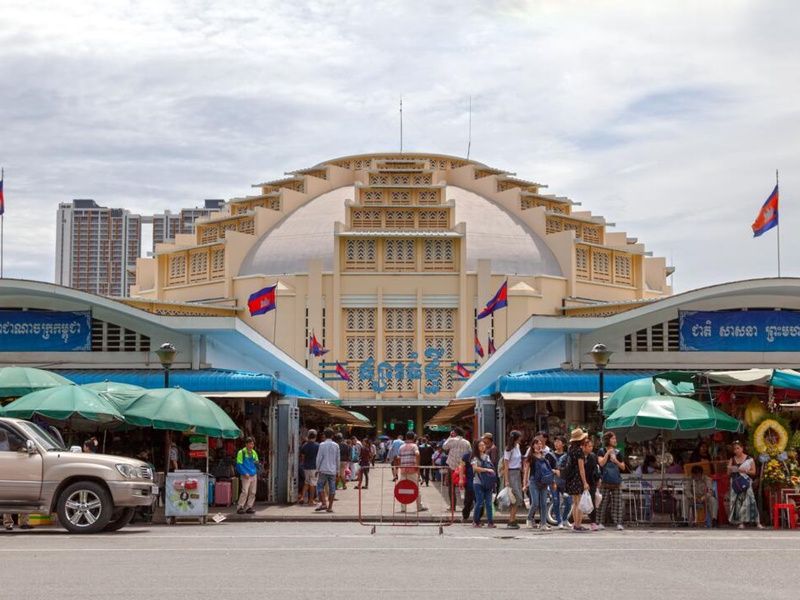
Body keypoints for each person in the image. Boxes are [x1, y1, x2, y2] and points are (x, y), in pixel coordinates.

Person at [726, 440, 763, 529]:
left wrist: (744, 470)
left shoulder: (749, 459)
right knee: (738, 502)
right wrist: (731, 468)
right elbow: (728, 473)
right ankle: (740, 522)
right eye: (735, 449)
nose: (736, 450)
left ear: (742, 448)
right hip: (735, 482)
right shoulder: (732, 459)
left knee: (750, 501)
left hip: (745, 482)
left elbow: (754, 472)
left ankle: (757, 522)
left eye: (738, 448)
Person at [597, 431, 626, 531]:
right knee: (602, 502)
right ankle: (600, 522)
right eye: (613, 438)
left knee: (617, 503)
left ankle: (618, 523)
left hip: (616, 481)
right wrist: (608, 454)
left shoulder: (618, 452)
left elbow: (623, 467)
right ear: (608, 440)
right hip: (604, 481)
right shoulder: (601, 451)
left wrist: (616, 461)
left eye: (615, 438)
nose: (615, 440)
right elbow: (601, 463)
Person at [523, 436, 554, 530]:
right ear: (533, 445)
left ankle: (543, 524)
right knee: (535, 502)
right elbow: (526, 471)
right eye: (536, 443)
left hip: (544, 482)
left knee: (544, 503)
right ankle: (529, 518)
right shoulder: (530, 457)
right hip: (533, 482)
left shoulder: (544, 456)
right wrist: (524, 484)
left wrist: (552, 481)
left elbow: (547, 469)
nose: (539, 445)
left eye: (540, 443)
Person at [564, 428, 591, 532]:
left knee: (575, 503)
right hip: (577, 478)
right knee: (578, 502)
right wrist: (585, 482)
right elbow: (581, 468)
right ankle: (578, 525)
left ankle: (576, 524)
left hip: (571, 478)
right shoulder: (579, 451)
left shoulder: (570, 449)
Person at [398, 431, 427, 512]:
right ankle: (419, 506)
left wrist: (400, 466)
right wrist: (417, 466)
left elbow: (398, 457)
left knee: (402, 488)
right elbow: (417, 454)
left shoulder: (401, 447)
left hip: (403, 470)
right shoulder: (414, 446)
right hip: (412, 470)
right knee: (416, 488)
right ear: (413, 438)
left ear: (406, 437)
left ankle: (403, 508)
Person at [502, 430, 525, 529]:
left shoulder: (517, 447)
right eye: (519, 437)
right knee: (516, 497)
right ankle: (511, 519)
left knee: (515, 498)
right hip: (511, 473)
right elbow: (506, 466)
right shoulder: (508, 450)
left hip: (517, 473)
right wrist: (506, 480)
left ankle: (512, 519)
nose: (521, 439)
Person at [471, 439, 496, 528]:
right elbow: (475, 469)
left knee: (489, 503)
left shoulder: (487, 456)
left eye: (484, 445)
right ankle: (475, 521)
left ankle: (490, 522)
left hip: (488, 482)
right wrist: (486, 469)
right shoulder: (474, 457)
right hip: (478, 483)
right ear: (476, 448)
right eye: (480, 446)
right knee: (479, 502)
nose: (483, 447)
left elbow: (490, 466)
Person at [315, 427, 340, 513]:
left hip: (323, 469)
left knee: (320, 486)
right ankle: (330, 507)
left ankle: (324, 503)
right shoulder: (336, 445)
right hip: (332, 470)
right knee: (332, 489)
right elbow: (338, 459)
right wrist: (338, 471)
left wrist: (317, 469)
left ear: (324, 435)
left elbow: (319, 458)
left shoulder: (322, 445)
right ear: (332, 436)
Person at [443, 427, 472, 503]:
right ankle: (468, 504)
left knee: (451, 487)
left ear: (455, 433)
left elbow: (444, 446)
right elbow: (470, 452)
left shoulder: (451, 440)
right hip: (463, 467)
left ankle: (453, 506)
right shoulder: (467, 442)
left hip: (452, 466)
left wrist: (449, 436)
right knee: (465, 485)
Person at [235, 437, 259, 514]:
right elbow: (239, 465)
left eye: (252, 444)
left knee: (253, 492)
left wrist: (257, 468)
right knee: (245, 491)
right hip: (246, 475)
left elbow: (256, 463)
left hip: (253, 474)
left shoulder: (254, 453)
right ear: (246, 444)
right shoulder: (241, 452)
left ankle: (249, 507)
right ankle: (240, 507)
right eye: (250, 444)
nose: (251, 445)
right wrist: (244, 473)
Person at [582, 436, 601, 530]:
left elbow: (596, 469)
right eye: (589, 446)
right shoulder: (579, 455)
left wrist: (598, 479)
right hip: (580, 482)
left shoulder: (593, 456)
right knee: (579, 502)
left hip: (591, 482)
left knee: (592, 502)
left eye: (591, 446)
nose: (591, 448)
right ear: (584, 447)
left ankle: (593, 522)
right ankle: (577, 521)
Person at [553, 435, 571, 528]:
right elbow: (547, 467)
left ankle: (564, 519)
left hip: (565, 482)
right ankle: (559, 521)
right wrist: (554, 471)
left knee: (568, 501)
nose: (556, 444)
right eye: (555, 442)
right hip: (554, 481)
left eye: (558, 442)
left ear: (563, 444)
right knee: (555, 502)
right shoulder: (551, 454)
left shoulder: (567, 455)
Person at [298, 429, 319, 505]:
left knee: (306, 483)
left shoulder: (304, 445)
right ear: (315, 436)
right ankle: (311, 500)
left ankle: (302, 497)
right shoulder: (317, 446)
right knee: (313, 484)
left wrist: (304, 463)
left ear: (308, 436)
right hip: (314, 467)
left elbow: (303, 457)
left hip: (306, 467)